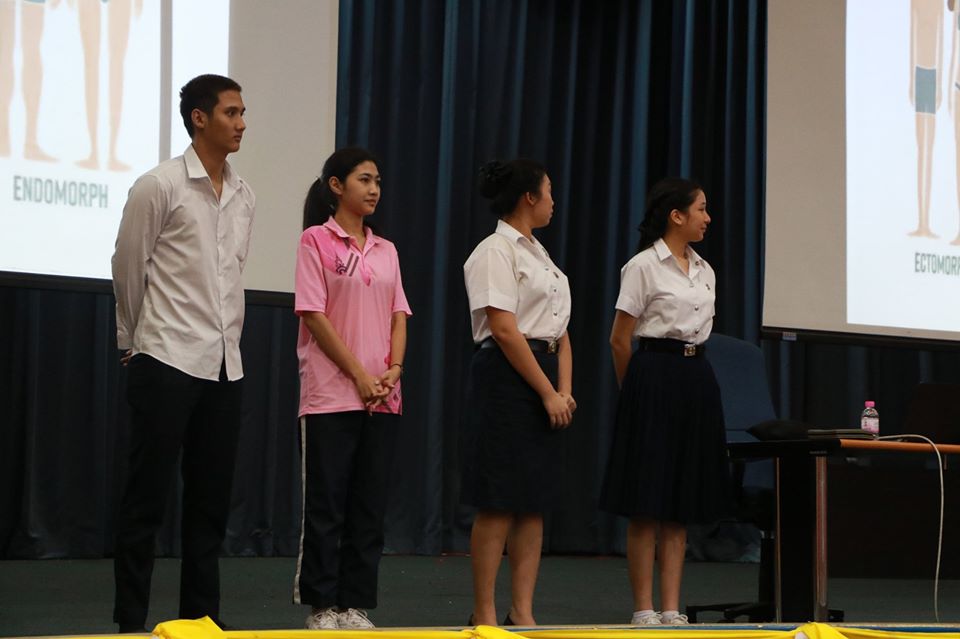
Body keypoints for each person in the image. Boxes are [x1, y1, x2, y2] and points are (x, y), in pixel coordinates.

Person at [110, 73, 254, 633]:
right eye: (231, 113)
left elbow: (232, 277)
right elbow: (128, 265)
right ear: (199, 118)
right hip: (166, 357)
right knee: (146, 500)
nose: (241, 124)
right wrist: (134, 339)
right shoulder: (159, 184)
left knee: (210, 506)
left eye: (242, 114)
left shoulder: (244, 195)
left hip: (224, 366)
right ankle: (130, 622)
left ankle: (202, 620)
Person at [600, 177, 730, 626]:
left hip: (697, 376)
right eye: (701, 209)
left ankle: (672, 608)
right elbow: (620, 339)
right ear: (676, 215)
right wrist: (634, 392)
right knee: (647, 499)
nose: (707, 218)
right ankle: (643, 607)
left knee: (680, 500)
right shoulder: (643, 266)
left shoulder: (705, 270)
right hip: (653, 373)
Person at [293, 147, 411, 630]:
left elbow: (399, 314)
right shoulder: (316, 241)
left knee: (368, 507)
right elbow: (313, 315)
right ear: (336, 186)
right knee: (327, 506)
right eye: (364, 179)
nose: (374, 189)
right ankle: (322, 605)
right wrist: (360, 375)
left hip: (383, 398)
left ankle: (354, 604)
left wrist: (393, 370)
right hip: (331, 395)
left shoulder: (387, 250)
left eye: (378, 180)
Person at [461, 158, 575, 627]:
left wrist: (564, 388)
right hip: (507, 376)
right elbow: (505, 329)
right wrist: (547, 392)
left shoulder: (539, 253)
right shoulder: (495, 250)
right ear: (529, 197)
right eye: (549, 191)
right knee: (499, 499)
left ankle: (522, 610)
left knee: (532, 501)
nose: (553, 201)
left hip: (543, 371)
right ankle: (485, 612)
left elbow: (560, 330)